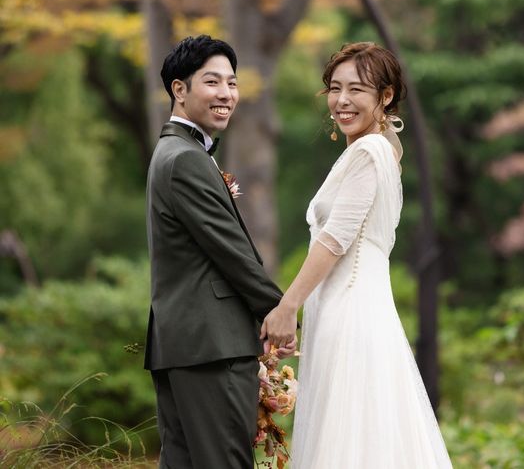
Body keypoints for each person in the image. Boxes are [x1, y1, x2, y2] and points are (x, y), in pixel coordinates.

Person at [261, 42, 453, 468]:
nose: (342, 100)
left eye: (357, 89)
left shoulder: (369, 152)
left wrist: (287, 306)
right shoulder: (376, 149)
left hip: (351, 314)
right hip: (349, 310)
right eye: (335, 88)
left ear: (385, 96)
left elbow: (335, 240)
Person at [144, 34, 296, 468]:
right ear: (179, 89)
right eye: (212, 82)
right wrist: (279, 314)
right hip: (213, 345)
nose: (226, 94)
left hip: (186, 343)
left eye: (232, 83)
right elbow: (230, 251)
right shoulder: (185, 158)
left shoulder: (174, 152)